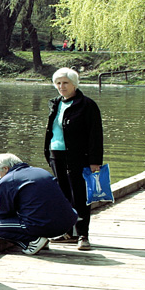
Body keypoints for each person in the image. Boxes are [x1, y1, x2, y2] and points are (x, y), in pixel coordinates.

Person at [44, 67, 104, 251]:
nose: (61, 86)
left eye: (65, 83)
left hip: (78, 156)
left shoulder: (87, 105)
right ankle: (66, 232)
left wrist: (95, 161)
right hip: (56, 154)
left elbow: (95, 135)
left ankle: (83, 235)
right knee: (62, 195)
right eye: (58, 83)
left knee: (79, 195)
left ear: (74, 84)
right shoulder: (56, 103)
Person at [0, 154, 78, 256]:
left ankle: (32, 241)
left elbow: (2, 212)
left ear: (5, 168)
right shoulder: (41, 171)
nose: (0, 176)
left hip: (45, 225)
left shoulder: (8, 180)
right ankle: (42, 241)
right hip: (68, 223)